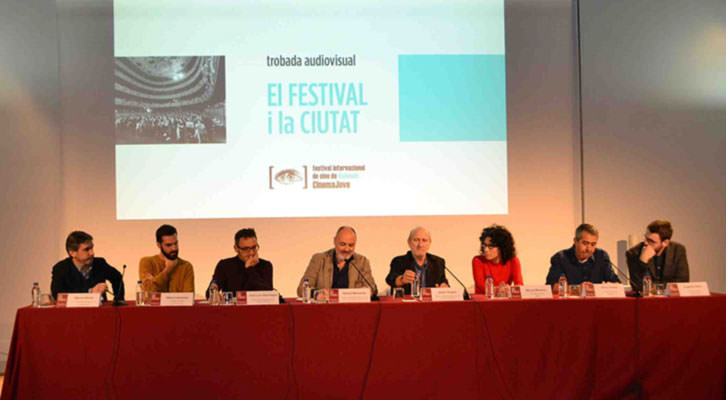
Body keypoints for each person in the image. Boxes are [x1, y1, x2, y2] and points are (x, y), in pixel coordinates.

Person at [296, 226, 377, 297]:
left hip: (352, 310)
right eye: (343, 244)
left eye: (351, 245)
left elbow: (372, 288)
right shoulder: (319, 259)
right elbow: (301, 290)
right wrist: (318, 294)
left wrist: (366, 292)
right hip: (324, 310)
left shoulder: (362, 261)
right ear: (334, 241)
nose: (347, 249)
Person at [50, 231, 125, 301]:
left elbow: (117, 278)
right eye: (86, 249)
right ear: (72, 253)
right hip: (73, 313)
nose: (92, 253)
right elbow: (58, 296)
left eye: (92, 248)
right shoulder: (60, 269)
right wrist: (90, 292)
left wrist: (118, 300)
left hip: (100, 312)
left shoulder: (100, 264)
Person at [626, 220, 689, 293]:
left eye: (651, 241)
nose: (646, 243)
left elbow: (682, 282)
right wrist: (643, 262)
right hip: (646, 302)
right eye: (646, 238)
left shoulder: (678, 250)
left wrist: (656, 288)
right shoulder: (633, 253)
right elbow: (637, 287)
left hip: (671, 300)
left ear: (665, 243)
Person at [545, 223, 619, 286]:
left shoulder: (601, 256)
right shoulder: (561, 258)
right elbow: (551, 287)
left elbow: (616, 284)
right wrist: (577, 289)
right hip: (570, 303)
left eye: (593, 244)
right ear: (575, 241)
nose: (589, 249)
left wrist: (601, 288)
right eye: (585, 243)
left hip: (595, 303)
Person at [207, 228, 273, 296]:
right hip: (233, 306)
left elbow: (268, 294)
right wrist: (214, 290)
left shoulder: (266, 265)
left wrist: (250, 269)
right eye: (246, 249)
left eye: (254, 247)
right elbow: (210, 292)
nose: (251, 252)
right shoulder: (224, 265)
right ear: (236, 248)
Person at [385, 227, 449, 295]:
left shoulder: (437, 262)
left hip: (430, 304)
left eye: (424, 240)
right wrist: (402, 280)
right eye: (416, 240)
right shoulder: (398, 261)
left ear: (429, 243)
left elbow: (444, 282)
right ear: (409, 242)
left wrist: (444, 287)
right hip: (407, 304)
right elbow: (390, 279)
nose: (420, 245)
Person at [139, 224, 195, 293]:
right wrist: (167, 270)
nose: (174, 248)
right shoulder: (147, 262)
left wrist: (154, 280)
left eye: (176, 243)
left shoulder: (186, 266)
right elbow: (148, 291)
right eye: (169, 245)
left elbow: (188, 297)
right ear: (159, 245)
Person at [472, 225, 523, 293]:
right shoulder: (478, 261)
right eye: (484, 245)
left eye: (490, 246)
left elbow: (519, 285)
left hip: (504, 301)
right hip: (483, 301)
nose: (486, 249)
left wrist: (510, 289)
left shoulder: (513, 261)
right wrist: (501, 290)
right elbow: (482, 286)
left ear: (502, 247)